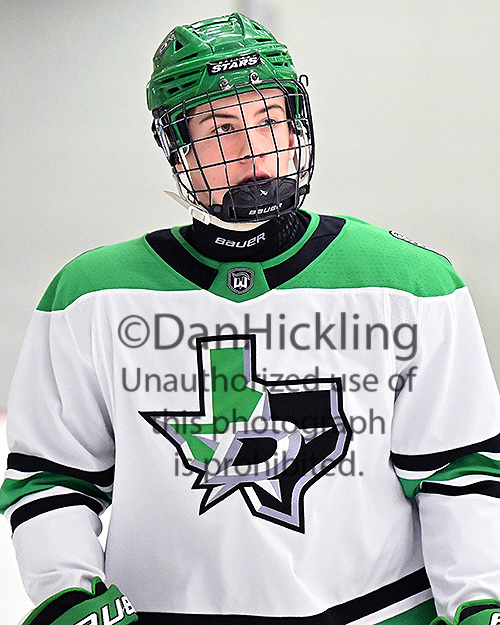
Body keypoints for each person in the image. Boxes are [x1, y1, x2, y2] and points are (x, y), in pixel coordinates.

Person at [1, 12, 499, 625]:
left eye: (269, 119)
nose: (255, 150)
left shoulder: (410, 284)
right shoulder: (92, 295)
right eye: (222, 128)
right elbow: (53, 476)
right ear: (178, 145)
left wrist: (480, 602)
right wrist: (70, 595)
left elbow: (461, 470)